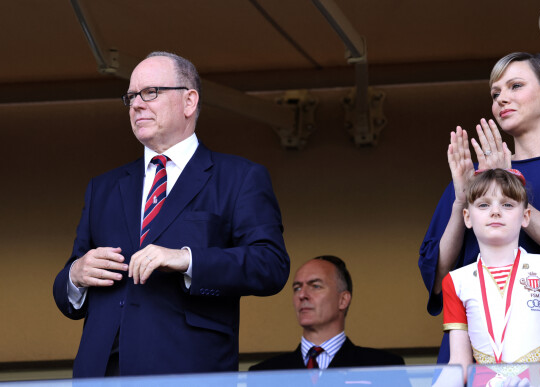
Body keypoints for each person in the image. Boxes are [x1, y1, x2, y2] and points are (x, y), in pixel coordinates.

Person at [53, 51, 290, 377]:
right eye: (131, 96)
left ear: (189, 101)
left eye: (150, 92)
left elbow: (271, 265)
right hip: (101, 372)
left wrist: (188, 259)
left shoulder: (239, 177)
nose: (136, 104)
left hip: (187, 368)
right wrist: (75, 276)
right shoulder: (103, 187)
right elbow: (68, 286)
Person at [418, 52, 540, 363]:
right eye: (495, 93)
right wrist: (461, 199)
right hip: (474, 359)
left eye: (515, 86)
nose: (501, 99)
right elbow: (437, 277)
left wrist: (512, 190)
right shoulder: (478, 174)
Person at [440, 168, 540, 385]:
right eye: (484, 204)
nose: (495, 211)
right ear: (467, 217)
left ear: (525, 216)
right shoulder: (455, 282)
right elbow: (459, 362)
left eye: (507, 204)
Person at [249, 255, 405, 370]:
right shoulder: (264, 372)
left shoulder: (384, 367)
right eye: (297, 288)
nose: (302, 295)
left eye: (315, 286)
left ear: (343, 300)